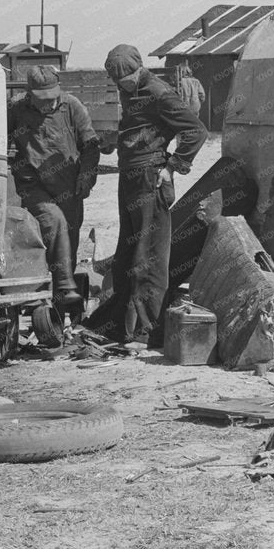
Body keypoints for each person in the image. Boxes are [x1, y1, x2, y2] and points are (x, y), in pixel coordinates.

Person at [104, 44, 206, 349]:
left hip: (151, 178)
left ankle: (147, 333)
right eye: (117, 82)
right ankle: (122, 327)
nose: (121, 86)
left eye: (126, 80)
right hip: (130, 178)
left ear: (139, 70)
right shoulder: (128, 89)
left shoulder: (160, 92)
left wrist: (172, 167)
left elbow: (196, 131)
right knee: (127, 254)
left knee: (148, 259)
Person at [7, 65, 99, 310]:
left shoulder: (72, 106)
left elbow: (91, 146)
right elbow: (0, 140)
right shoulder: (16, 108)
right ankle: (61, 287)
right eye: (42, 99)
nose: (48, 104)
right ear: (30, 94)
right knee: (54, 222)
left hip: (68, 186)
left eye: (52, 98)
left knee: (69, 241)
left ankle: (60, 308)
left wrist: (86, 177)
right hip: (33, 185)